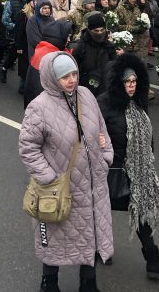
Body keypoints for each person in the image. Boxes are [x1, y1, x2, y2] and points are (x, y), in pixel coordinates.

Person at [19, 52, 114, 292]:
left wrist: (105, 157)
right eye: (64, 77)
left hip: (93, 186)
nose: (71, 80)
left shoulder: (86, 95)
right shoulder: (39, 107)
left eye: (74, 74)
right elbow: (28, 148)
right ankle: (49, 282)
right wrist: (50, 179)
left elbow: (102, 127)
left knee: (91, 234)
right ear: (52, 77)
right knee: (54, 236)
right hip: (60, 190)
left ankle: (88, 283)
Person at [97, 53, 159, 282]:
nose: (131, 87)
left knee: (141, 211)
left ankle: (153, 261)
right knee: (100, 213)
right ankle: (97, 252)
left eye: (134, 82)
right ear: (118, 83)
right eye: (127, 83)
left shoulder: (139, 103)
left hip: (138, 172)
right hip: (111, 172)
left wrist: (147, 160)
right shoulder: (103, 104)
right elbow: (89, 134)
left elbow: (146, 134)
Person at [70, 12, 118, 97]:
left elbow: (114, 67)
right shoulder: (80, 47)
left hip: (105, 90)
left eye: (102, 30)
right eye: (96, 31)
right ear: (89, 30)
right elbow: (74, 71)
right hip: (84, 91)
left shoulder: (109, 46)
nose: (99, 33)